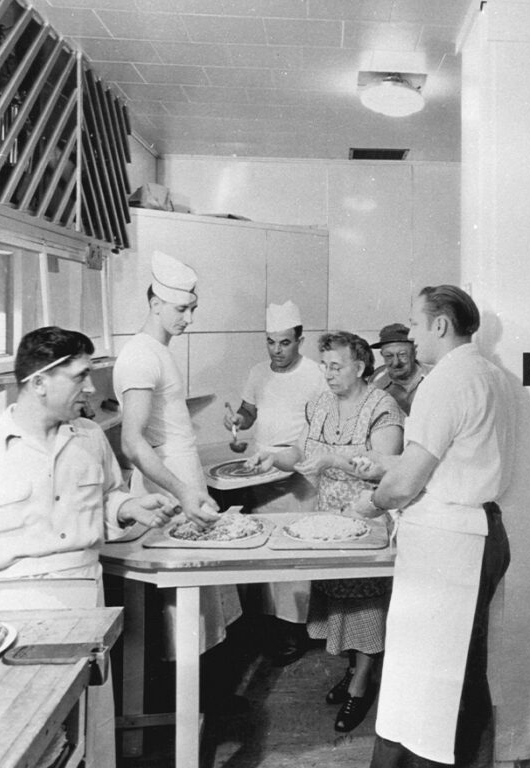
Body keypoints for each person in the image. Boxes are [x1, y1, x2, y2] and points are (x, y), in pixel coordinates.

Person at [0, 326, 176, 768]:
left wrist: (129, 507)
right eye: (80, 376)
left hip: (83, 598)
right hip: (4, 610)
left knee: (87, 737)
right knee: (17, 738)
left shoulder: (90, 438)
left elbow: (104, 501)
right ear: (39, 383)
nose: (91, 387)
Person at [349, 285, 516, 768]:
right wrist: (388, 467)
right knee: (457, 671)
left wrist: (374, 500)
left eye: (416, 325)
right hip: (476, 531)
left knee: (433, 679)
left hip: (451, 544)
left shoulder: (445, 380)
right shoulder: (490, 373)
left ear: (440, 325)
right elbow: (456, 456)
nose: (411, 336)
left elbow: (406, 486)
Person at [250, 331, 403, 732]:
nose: (329, 375)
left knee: (366, 604)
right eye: (325, 367)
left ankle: (361, 685)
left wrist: (334, 458)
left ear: (360, 366)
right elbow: (301, 452)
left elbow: (389, 465)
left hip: (367, 517)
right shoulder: (320, 403)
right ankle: (357, 671)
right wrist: (273, 459)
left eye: (336, 367)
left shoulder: (381, 407)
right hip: (329, 524)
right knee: (341, 603)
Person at [114, 250, 241, 658]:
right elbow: (132, 442)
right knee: (180, 603)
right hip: (166, 486)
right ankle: (183, 700)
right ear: (155, 304)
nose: (189, 318)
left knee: (198, 593)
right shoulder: (139, 356)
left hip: (181, 479)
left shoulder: (158, 351)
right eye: (182, 309)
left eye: (193, 308)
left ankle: (202, 692)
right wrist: (182, 491)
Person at [223, 300, 324, 666]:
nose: (276, 351)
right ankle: (266, 626)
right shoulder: (257, 372)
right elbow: (250, 412)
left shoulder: (315, 374)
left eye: (284, 343)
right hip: (261, 469)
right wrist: (237, 419)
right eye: (270, 342)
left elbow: (319, 428)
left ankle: (294, 629)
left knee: (294, 553)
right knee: (263, 548)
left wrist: (293, 458)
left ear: (300, 340)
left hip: (298, 473)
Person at [370, 323, 430, 415]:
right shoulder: (376, 387)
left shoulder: (434, 376)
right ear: (382, 355)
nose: (396, 363)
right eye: (389, 356)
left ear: (414, 352)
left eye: (402, 354)